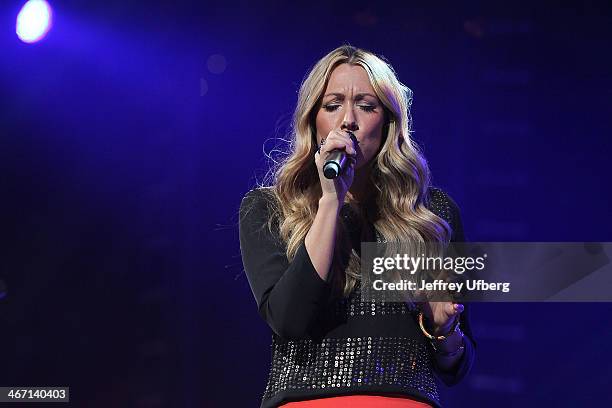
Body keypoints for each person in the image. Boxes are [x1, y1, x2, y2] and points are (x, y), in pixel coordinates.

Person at [239, 45, 475, 408]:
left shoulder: (431, 213)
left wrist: (444, 330)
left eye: (367, 106)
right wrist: (330, 201)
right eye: (332, 105)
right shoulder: (271, 209)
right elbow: (289, 319)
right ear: (313, 120)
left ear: (388, 122)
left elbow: (456, 366)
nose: (348, 120)